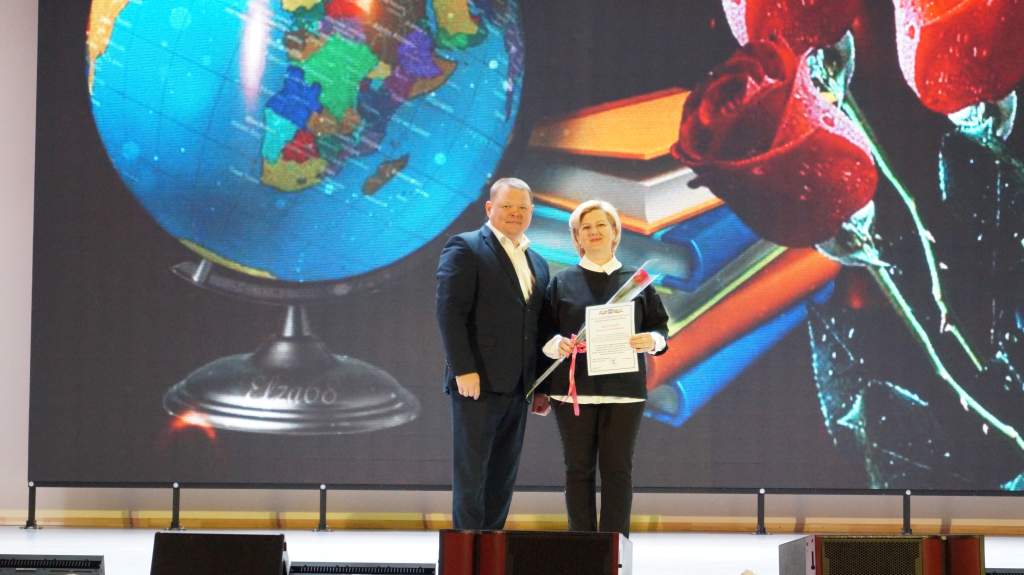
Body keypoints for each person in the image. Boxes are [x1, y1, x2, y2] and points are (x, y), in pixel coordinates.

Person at [535, 199, 668, 536]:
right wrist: (556, 344)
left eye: (600, 225)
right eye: (585, 228)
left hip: (623, 392)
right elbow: (543, 333)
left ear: (615, 233)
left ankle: (613, 548)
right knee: (577, 470)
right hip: (573, 392)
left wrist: (651, 340)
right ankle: (582, 547)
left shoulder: (637, 282)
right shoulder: (561, 282)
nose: (593, 232)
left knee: (617, 471)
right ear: (577, 237)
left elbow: (661, 329)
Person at [435, 177, 551, 530]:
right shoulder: (466, 247)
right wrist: (463, 369)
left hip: (520, 387)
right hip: (478, 383)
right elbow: (449, 311)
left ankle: (492, 549)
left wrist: (541, 384)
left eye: (522, 207)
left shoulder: (538, 262)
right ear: (489, 208)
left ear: (531, 211)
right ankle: (466, 552)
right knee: (473, 476)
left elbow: (538, 326)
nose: (515, 213)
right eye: (507, 206)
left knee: (502, 476)